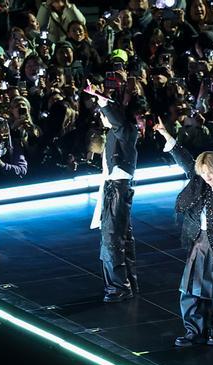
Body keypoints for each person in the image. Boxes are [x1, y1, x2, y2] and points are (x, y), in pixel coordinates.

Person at [154, 118, 213, 348]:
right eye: (203, 173)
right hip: (199, 242)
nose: (207, 176)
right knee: (191, 287)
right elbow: (184, 161)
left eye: (210, 172)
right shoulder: (199, 183)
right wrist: (167, 135)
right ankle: (193, 330)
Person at [86, 84, 139, 303]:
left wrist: (102, 100)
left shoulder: (125, 130)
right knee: (121, 237)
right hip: (114, 187)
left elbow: (116, 119)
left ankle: (118, 286)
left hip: (117, 188)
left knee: (112, 238)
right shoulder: (117, 133)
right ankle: (126, 283)